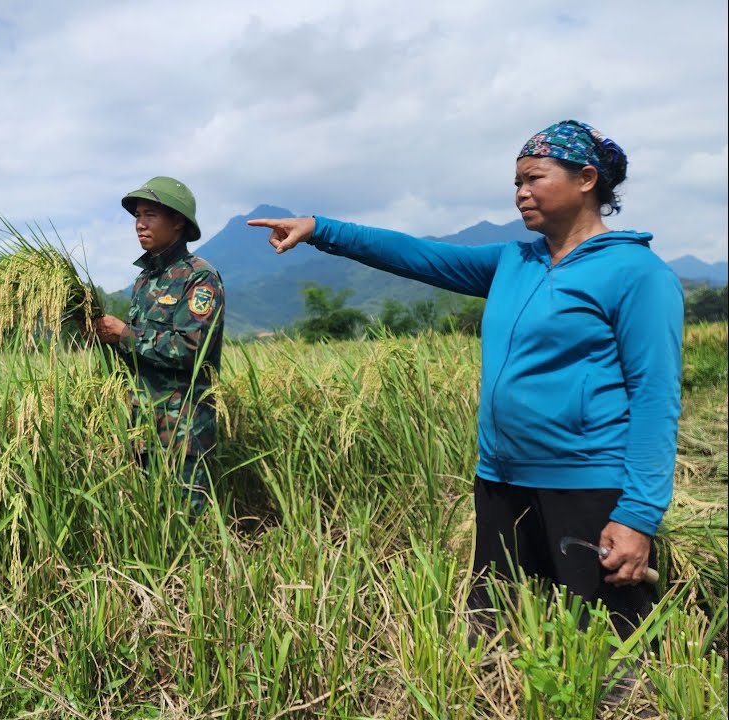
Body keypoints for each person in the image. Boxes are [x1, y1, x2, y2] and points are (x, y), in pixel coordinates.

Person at [247, 120, 682, 636]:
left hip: (585, 482)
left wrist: (637, 514)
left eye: (534, 178)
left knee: (609, 651)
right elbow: (416, 255)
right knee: (493, 633)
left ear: (586, 179)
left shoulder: (637, 274)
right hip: (500, 479)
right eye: (516, 182)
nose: (520, 193)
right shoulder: (513, 261)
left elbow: (656, 397)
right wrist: (321, 229)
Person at [94, 177, 226, 514]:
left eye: (150, 215)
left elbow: (191, 347)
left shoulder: (200, 277)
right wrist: (108, 337)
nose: (140, 224)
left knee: (189, 529)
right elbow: (142, 352)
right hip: (143, 428)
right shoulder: (144, 280)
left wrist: (125, 334)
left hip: (183, 432)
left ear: (177, 221)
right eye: (138, 216)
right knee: (150, 523)